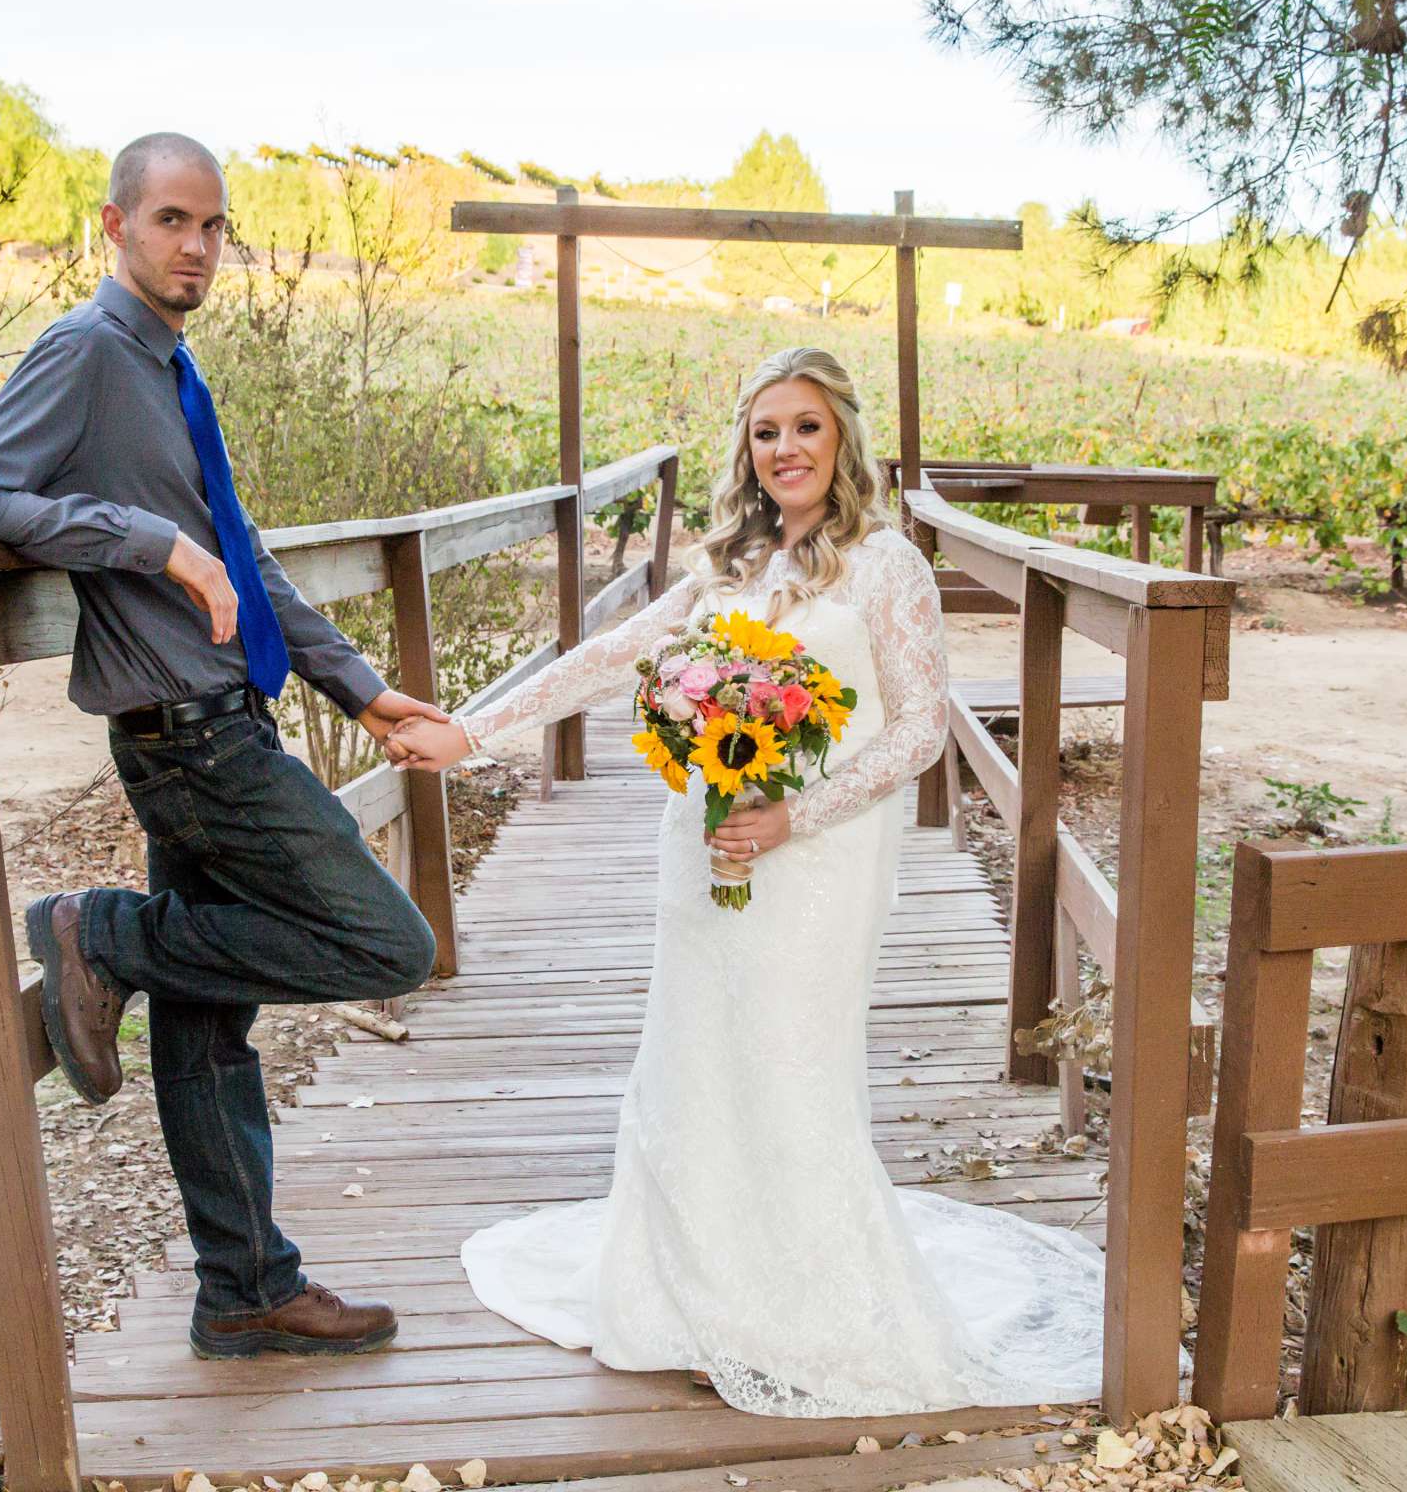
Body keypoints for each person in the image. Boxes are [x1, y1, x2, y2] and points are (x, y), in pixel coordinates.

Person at [387, 347, 1106, 1417]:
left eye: (805, 427)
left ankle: (801, 1307)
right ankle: (688, 1297)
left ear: (842, 436)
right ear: (747, 448)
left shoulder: (886, 565)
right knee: (696, 1056)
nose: (785, 451)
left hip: (820, 855)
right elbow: (617, 651)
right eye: (766, 431)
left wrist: (793, 816)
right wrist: (472, 730)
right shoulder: (731, 560)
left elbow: (916, 731)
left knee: (791, 1062)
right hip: (706, 841)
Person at [0, 132, 444, 1360]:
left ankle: (246, 1287)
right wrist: (146, 543)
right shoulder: (88, 352)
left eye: (213, 227)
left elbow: (250, 562)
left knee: (210, 1028)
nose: (197, 247)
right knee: (390, 940)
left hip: (218, 719)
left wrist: (366, 695)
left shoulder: (171, 369)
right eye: (171, 221)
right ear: (114, 225)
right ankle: (102, 931)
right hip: (191, 746)